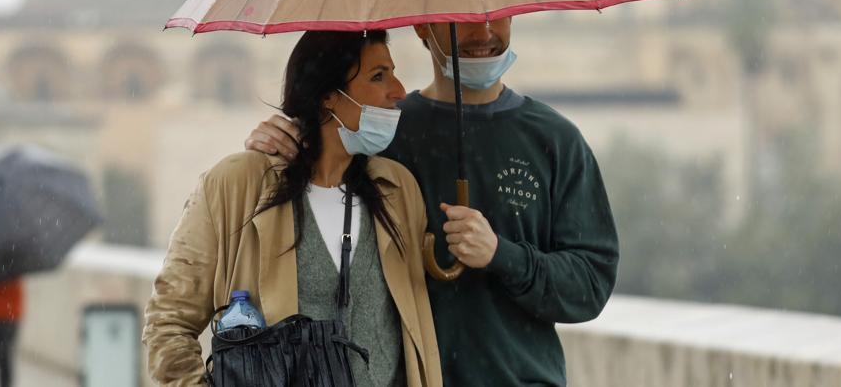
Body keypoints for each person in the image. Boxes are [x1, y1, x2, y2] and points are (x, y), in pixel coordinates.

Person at [246, 19, 619, 387]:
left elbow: (591, 283)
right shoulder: (379, 133)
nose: (484, 33)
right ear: (423, 28)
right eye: (463, 20)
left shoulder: (556, 140)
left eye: (496, 16)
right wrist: (280, 145)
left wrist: (502, 256)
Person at [144, 30, 442, 387]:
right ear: (329, 96)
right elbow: (168, 322)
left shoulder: (397, 189)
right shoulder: (237, 185)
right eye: (378, 76)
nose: (398, 89)